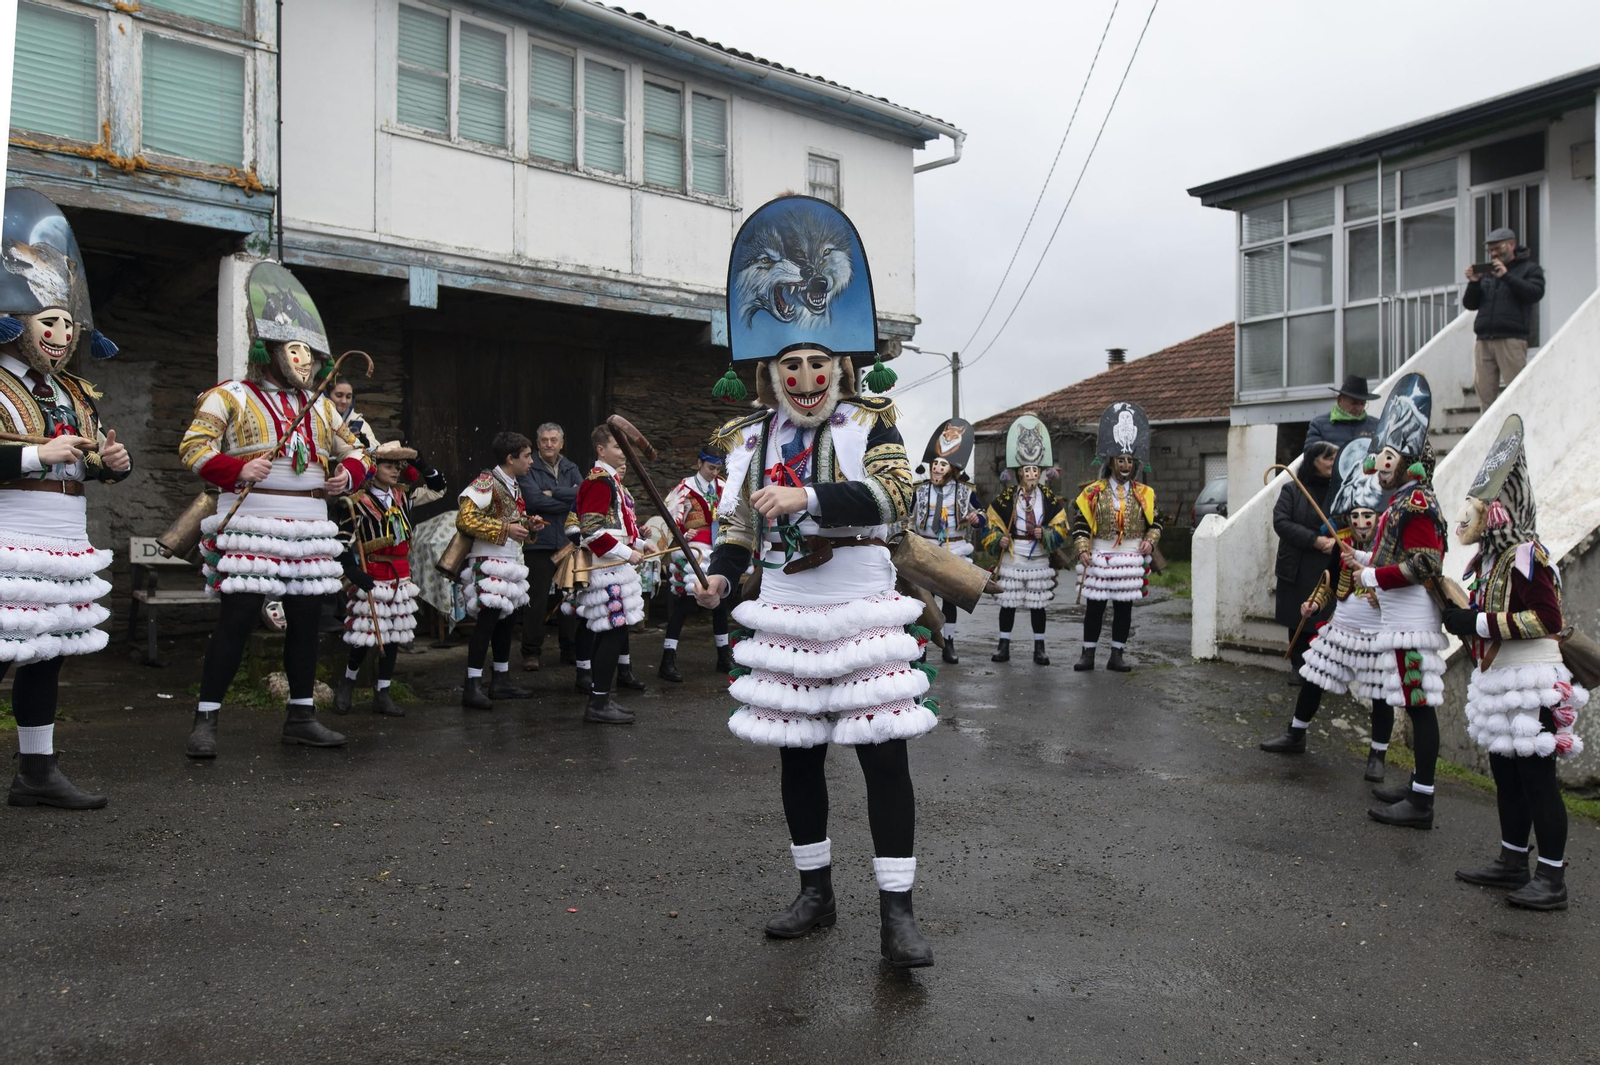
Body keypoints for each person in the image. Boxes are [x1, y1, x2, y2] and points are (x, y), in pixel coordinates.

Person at [693, 194, 935, 968]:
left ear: (841, 365)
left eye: (817, 363)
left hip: (862, 604)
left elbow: (897, 499)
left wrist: (810, 497)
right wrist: (722, 583)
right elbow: (738, 528)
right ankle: (815, 893)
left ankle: (898, 912)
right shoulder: (747, 438)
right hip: (790, 609)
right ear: (771, 373)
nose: (804, 376)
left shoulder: (872, 425)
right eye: (789, 364)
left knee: (884, 757)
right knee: (798, 755)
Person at [180, 262, 370, 758]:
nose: (303, 363)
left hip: (310, 524)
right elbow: (193, 449)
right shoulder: (229, 396)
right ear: (269, 350)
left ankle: (302, 715)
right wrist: (236, 470)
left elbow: (358, 451)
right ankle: (206, 720)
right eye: (295, 352)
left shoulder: (322, 407)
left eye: (308, 354)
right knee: (238, 618)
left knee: (309, 617)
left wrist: (348, 474)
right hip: (251, 522)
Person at [0, 188, 130, 809]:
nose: (60, 335)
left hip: (61, 541)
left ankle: (37, 771)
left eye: (68, 323)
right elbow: (41, 456)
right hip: (6, 535)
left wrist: (110, 465)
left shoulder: (75, 391)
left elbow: (83, 459)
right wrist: (32, 455)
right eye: (46, 321)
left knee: (46, 654)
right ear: (14, 318)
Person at [1447, 413, 1587, 911]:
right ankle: (1512, 861)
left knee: (1537, 779)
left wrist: (1479, 623)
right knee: (1506, 773)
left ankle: (1552, 878)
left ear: (1500, 511)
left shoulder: (1527, 555)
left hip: (1533, 680)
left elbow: (1547, 619)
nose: (1470, 514)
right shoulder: (1485, 561)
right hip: (1501, 678)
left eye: (1481, 506)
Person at [1343, 373, 1448, 830]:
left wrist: (1370, 574)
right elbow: (1395, 554)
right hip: (1401, 622)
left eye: (1390, 458)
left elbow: (1424, 563)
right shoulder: (1401, 501)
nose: (1381, 465)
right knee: (1413, 704)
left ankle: (1422, 800)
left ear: (1410, 463)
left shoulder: (1418, 502)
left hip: (1411, 625)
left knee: (1420, 708)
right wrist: (1361, 556)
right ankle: (1418, 785)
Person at [1260, 437, 1394, 780]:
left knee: (1380, 692)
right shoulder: (1343, 542)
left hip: (1377, 630)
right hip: (1343, 622)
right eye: (1356, 516)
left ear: (1378, 517)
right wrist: (1314, 602)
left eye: (1368, 516)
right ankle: (1296, 733)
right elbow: (1328, 582)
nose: (1362, 522)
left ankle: (1377, 755)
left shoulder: (1389, 548)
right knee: (1313, 675)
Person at [332, 441, 446, 716]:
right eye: (388, 465)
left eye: (397, 466)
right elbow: (341, 542)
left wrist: (419, 461)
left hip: (400, 575)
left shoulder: (404, 496)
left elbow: (439, 488)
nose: (395, 471)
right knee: (364, 636)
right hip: (373, 573)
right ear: (373, 469)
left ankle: (382, 692)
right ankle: (347, 682)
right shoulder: (355, 503)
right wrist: (353, 572)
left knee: (394, 635)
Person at [1070, 402, 1162, 673]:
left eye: (1129, 461)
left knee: (1124, 608)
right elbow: (1080, 524)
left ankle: (1117, 655)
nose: (1125, 465)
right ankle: (1088, 654)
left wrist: (1150, 540)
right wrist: (1082, 547)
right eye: (1121, 460)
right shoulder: (1092, 492)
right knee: (1095, 606)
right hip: (1099, 554)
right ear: (1110, 461)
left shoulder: (1144, 493)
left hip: (1130, 556)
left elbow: (1155, 523)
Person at [573, 424, 649, 724]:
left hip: (615, 567)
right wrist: (627, 553)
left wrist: (641, 542)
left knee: (611, 633)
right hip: (607, 569)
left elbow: (619, 526)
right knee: (613, 633)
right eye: (619, 447)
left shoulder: (612, 482)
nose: (625, 452)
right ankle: (598, 703)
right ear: (601, 450)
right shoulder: (599, 481)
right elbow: (591, 531)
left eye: (625, 446)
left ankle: (600, 699)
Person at [456, 432, 539, 710]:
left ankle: (501, 679)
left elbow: (509, 520)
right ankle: (472, 685)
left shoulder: (513, 484)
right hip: (489, 560)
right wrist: (506, 529)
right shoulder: (486, 481)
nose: (531, 461)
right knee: (487, 623)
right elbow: (465, 518)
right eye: (526, 456)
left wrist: (529, 525)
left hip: (509, 560)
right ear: (510, 458)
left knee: (506, 622)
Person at [983, 414, 1069, 666]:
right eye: (1027, 470)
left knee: (1038, 604)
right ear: (1019, 473)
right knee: (1007, 603)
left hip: (1038, 557)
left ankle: (1039, 648)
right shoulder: (1005, 499)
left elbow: (1062, 526)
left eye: (1035, 470)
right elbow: (991, 524)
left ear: (1040, 473)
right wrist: (998, 539)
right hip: (1013, 554)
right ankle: (1003, 645)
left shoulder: (1051, 500)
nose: (1031, 474)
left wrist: (1048, 534)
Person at [658, 444, 735, 682]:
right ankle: (667, 659)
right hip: (694, 550)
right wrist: (683, 532)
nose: (714, 472)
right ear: (699, 463)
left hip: (718, 547)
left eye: (718, 468)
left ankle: (724, 656)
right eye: (711, 467)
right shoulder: (684, 488)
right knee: (684, 603)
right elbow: (669, 520)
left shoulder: (724, 487)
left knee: (720, 600)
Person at [910, 418, 983, 664]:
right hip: (924, 549)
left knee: (950, 601)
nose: (937, 468)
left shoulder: (966, 491)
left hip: (954, 548)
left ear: (952, 469)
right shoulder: (918, 490)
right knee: (922, 600)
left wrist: (976, 518)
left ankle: (949, 644)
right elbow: (903, 516)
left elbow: (983, 517)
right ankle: (923, 645)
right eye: (935, 464)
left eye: (943, 465)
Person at [518, 422, 582, 671]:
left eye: (553, 440)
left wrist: (551, 493)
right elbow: (532, 500)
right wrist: (566, 498)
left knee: (567, 597)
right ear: (538, 443)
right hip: (540, 543)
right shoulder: (529, 467)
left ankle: (570, 650)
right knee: (537, 600)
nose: (549, 444)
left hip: (567, 542)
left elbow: (582, 497)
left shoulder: (570, 467)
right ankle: (531, 653)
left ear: (561, 443)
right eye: (544, 440)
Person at [1273, 441, 1340, 679]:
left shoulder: (1341, 491)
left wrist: (1337, 539)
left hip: (1328, 563)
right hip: (1299, 563)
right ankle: (1298, 664)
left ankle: (1323, 663)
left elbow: (1348, 519)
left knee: (1324, 613)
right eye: (1328, 458)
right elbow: (1281, 522)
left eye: (1335, 458)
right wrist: (1314, 540)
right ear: (1313, 461)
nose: (1333, 463)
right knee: (1299, 614)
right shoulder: (1292, 490)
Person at [1463, 227, 1545, 411]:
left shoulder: (1530, 269)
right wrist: (1474, 282)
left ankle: (1521, 429)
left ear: (1512, 244)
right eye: (1491, 250)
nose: (1494, 253)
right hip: (1484, 340)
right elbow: (1470, 304)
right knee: (1484, 393)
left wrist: (1506, 276)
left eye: (1498, 248)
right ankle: (1489, 435)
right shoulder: (1486, 274)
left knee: (1517, 390)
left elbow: (1534, 294)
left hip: (1511, 339)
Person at [1304, 374, 1379, 451]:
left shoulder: (1377, 425)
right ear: (1339, 399)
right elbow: (1310, 456)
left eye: (1362, 404)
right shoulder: (1318, 425)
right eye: (1354, 403)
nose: (1358, 408)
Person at [328, 378, 379, 451]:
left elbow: (376, 446)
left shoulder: (358, 420)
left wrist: (364, 442)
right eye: (339, 395)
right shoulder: (319, 418)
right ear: (327, 395)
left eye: (348, 397)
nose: (344, 401)